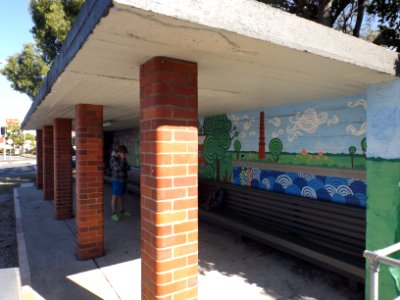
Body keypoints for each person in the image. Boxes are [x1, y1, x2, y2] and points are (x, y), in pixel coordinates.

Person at [110, 145, 131, 221]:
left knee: (122, 195)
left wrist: (124, 162)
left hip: (123, 180)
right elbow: (118, 168)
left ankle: (122, 210)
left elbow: (128, 167)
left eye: (125, 153)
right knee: (115, 196)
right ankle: (113, 213)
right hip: (117, 180)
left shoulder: (122, 158)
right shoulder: (113, 159)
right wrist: (122, 160)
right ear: (119, 152)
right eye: (124, 153)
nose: (125, 154)